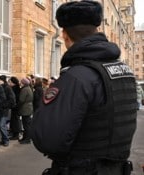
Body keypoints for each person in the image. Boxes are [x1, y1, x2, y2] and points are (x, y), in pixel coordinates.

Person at [30, 1, 137, 175]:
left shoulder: (76, 77)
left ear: (64, 35)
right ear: (97, 30)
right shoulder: (124, 72)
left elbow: (48, 139)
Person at [0, 75, 16, 147]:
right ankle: (3, 139)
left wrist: (5, 105)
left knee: (2, 125)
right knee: (1, 126)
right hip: (0, 109)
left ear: (2, 80)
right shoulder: (0, 87)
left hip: (5, 110)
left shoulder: (7, 88)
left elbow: (12, 99)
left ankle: (6, 140)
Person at [18, 78, 33, 144]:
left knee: (26, 125)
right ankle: (25, 138)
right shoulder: (28, 88)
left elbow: (21, 99)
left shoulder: (24, 89)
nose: (20, 83)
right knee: (26, 124)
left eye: (21, 82)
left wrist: (17, 105)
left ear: (23, 83)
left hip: (25, 108)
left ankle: (27, 139)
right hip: (28, 108)